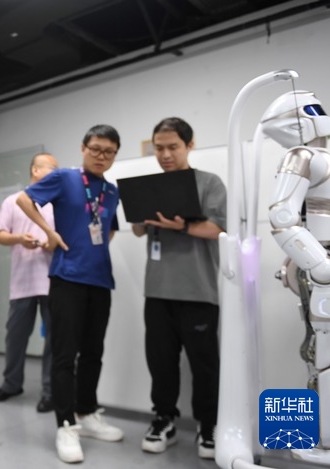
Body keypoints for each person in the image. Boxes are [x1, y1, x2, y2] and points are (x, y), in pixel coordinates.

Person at [16, 125, 124, 464]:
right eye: (96, 149)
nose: (101, 156)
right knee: (65, 354)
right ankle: (66, 424)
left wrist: (93, 250)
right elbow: (24, 199)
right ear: (83, 148)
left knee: (93, 352)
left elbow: (109, 229)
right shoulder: (64, 178)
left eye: (109, 152)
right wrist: (49, 232)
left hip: (100, 281)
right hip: (67, 278)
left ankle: (87, 412)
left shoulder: (111, 190)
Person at [131, 117, 226, 460]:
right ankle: (164, 420)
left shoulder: (209, 182)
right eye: (159, 148)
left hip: (198, 292)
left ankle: (209, 425)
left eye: (173, 147)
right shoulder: (150, 185)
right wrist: (144, 214)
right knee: (161, 363)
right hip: (157, 291)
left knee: (204, 365)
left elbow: (217, 229)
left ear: (190, 145)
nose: (166, 154)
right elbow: (139, 230)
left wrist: (182, 226)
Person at [0, 153, 59, 413]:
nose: (56, 172)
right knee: (15, 337)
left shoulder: (57, 202)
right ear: (35, 170)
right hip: (22, 283)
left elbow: (64, 237)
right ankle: (11, 384)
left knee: (54, 340)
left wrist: (51, 242)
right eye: (52, 168)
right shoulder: (13, 201)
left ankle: (50, 391)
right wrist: (19, 238)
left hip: (52, 280)